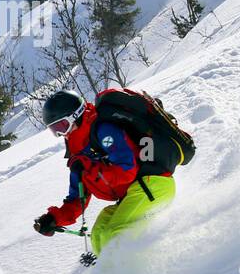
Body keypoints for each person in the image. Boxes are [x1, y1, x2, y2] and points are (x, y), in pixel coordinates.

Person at [33, 89, 176, 258]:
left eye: (62, 126)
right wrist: (54, 219)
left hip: (153, 184)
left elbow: (126, 170)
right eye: (54, 130)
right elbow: (77, 198)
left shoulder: (103, 130)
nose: (61, 134)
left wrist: (90, 168)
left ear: (76, 115)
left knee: (115, 235)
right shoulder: (78, 153)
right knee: (99, 236)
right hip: (134, 194)